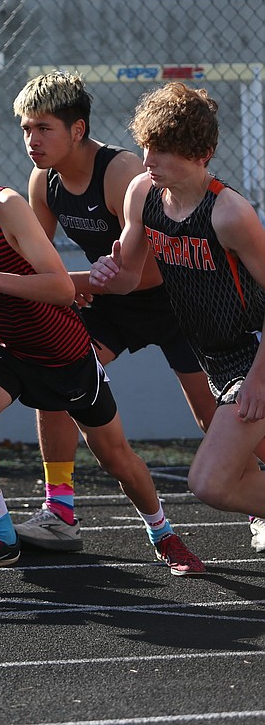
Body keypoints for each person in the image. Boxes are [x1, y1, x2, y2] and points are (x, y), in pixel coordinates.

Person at [0, 116, 205, 583]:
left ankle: (162, 533)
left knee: (115, 457)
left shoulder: (6, 206)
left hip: (60, 350)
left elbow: (60, 288)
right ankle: (0, 536)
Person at [6, 70, 219, 552]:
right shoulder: (44, 180)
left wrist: (72, 284)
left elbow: (146, 269)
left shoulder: (121, 172)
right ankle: (59, 511)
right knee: (54, 374)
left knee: (214, 417)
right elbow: (34, 256)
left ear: (77, 130)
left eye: (43, 129)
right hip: (109, 302)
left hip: (175, 299)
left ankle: (257, 505)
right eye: (25, 129)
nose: (32, 141)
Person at [90, 83, 265, 551]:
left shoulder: (229, 214)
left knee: (210, 482)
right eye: (147, 146)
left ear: (202, 153)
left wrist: (260, 381)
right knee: (243, 463)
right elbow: (127, 279)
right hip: (216, 359)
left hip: (252, 356)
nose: (148, 161)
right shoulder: (143, 193)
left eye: (163, 151)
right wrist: (106, 273)